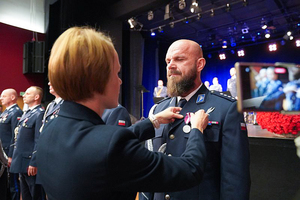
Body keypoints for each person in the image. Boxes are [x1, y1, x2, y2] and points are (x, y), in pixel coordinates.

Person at [36, 27, 210, 200]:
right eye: (116, 73)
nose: (119, 81)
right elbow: (190, 170)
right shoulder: (109, 147)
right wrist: (196, 130)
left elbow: (101, 144)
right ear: (98, 79)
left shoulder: (51, 128)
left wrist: (153, 121)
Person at [140, 39, 250, 200]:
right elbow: (149, 170)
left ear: (199, 64)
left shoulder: (226, 109)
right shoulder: (158, 110)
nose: (170, 66)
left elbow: (235, 179)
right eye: (168, 61)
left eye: (179, 59)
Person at [10, 86, 45, 200]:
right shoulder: (27, 113)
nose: (24, 95)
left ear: (36, 97)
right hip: (22, 161)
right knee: (25, 195)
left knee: (35, 195)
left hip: (30, 162)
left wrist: (34, 162)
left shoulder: (39, 113)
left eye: (27, 93)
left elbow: (38, 139)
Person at [0, 88, 23, 200]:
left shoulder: (16, 112)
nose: (1, 98)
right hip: (2, 153)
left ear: (13, 97)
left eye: (3, 96)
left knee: (13, 183)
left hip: (8, 153)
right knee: (6, 183)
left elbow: (16, 136)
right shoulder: (6, 112)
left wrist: (11, 155)